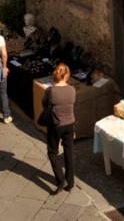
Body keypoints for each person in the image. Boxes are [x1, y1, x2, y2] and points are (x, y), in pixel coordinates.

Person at [41, 63, 79, 192]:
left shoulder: (50, 91)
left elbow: (44, 104)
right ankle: (71, 181)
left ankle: (60, 179)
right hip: (70, 123)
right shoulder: (72, 89)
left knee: (52, 151)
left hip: (56, 125)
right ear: (67, 75)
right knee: (69, 152)